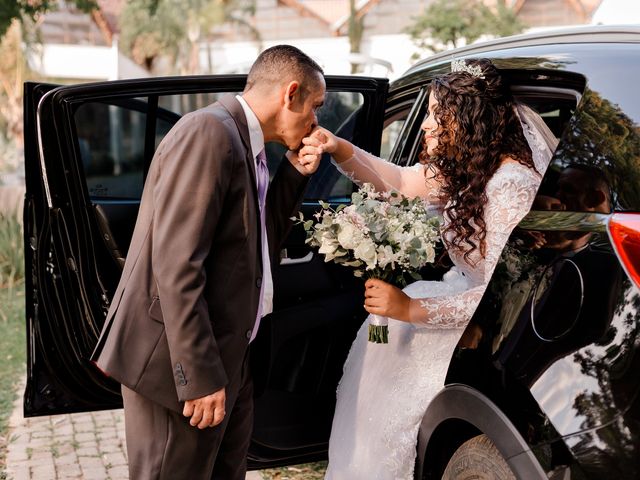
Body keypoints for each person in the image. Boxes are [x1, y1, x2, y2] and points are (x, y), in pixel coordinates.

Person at [296, 58, 557, 479]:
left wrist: (409, 309)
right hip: (447, 300)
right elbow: (397, 183)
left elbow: (506, 290)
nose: (426, 125)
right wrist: (337, 147)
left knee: (385, 393)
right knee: (374, 374)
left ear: (469, 120)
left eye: (438, 114)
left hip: (474, 322)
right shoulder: (471, 169)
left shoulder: (511, 185)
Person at [91, 45, 325, 480]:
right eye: (315, 106)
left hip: (230, 358)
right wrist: (198, 377)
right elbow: (177, 265)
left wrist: (292, 174)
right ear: (290, 94)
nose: (316, 122)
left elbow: (253, 249)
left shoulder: (247, 147)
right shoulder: (209, 133)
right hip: (180, 369)